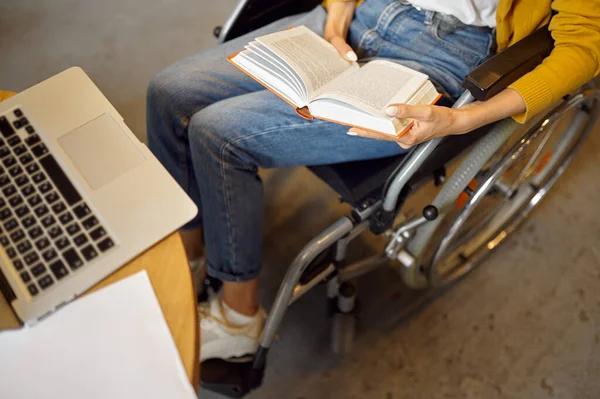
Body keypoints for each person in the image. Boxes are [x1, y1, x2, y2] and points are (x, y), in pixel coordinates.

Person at [146, 0, 600, 362]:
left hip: (449, 54)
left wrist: (466, 120)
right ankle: (189, 255)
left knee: (218, 134)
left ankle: (239, 320)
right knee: (168, 93)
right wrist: (339, 11)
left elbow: (584, 46)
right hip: (366, 14)